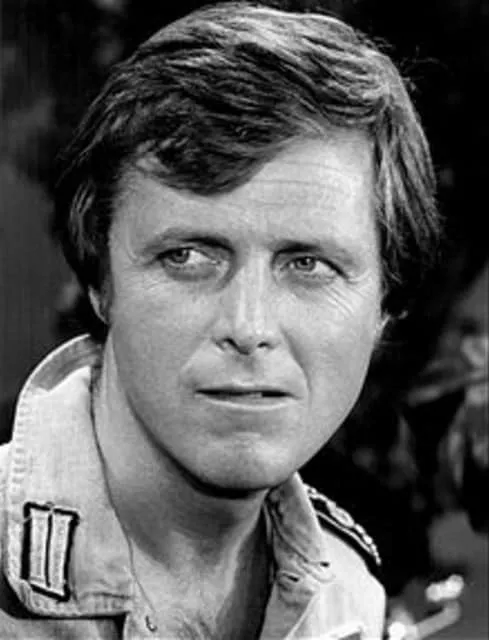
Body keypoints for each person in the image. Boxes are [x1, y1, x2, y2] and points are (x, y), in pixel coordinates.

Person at [0, 2, 440, 638]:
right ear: (100, 280)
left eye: (309, 265)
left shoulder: (350, 603)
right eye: (188, 257)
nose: (248, 325)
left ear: (385, 306)